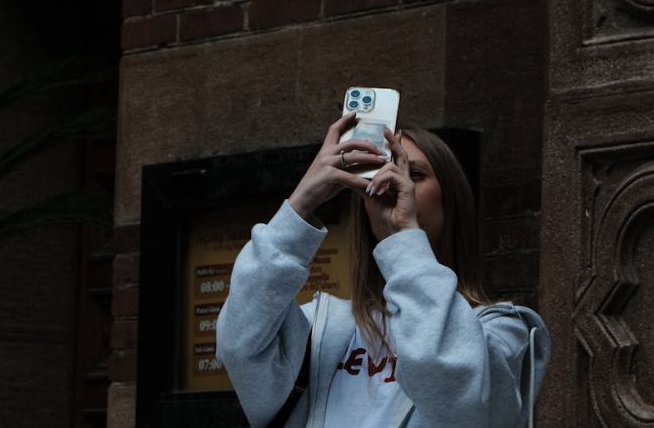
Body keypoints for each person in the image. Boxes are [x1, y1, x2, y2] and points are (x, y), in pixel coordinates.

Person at [216, 111, 550, 427]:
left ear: (451, 200)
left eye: (413, 175)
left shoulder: (503, 331)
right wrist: (301, 203)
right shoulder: (323, 327)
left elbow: (451, 389)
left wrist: (404, 236)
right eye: (381, 175)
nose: (394, 185)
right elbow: (238, 345)